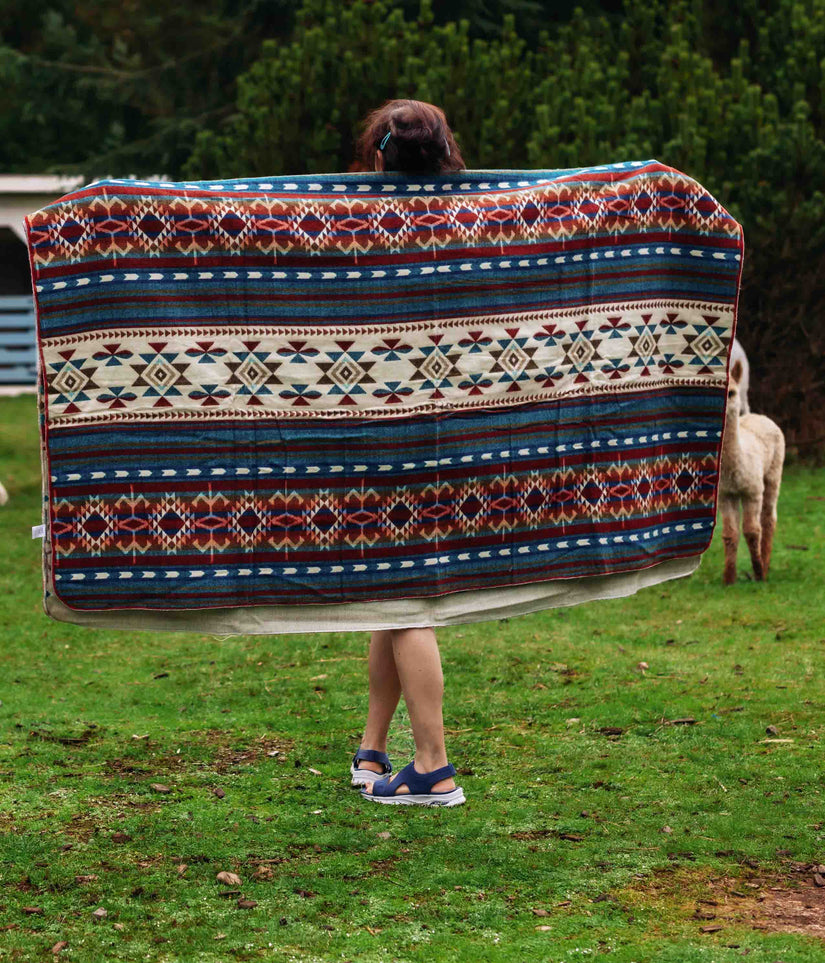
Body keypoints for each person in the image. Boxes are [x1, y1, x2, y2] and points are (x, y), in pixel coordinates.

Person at [349, 100, 466, 807]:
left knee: (405, 594)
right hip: (446, 430)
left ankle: (433, 765)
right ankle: (373, 749)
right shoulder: (472, 219)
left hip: (382, 435)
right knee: (392, 593)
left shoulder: (355, 225)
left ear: (376, 159)